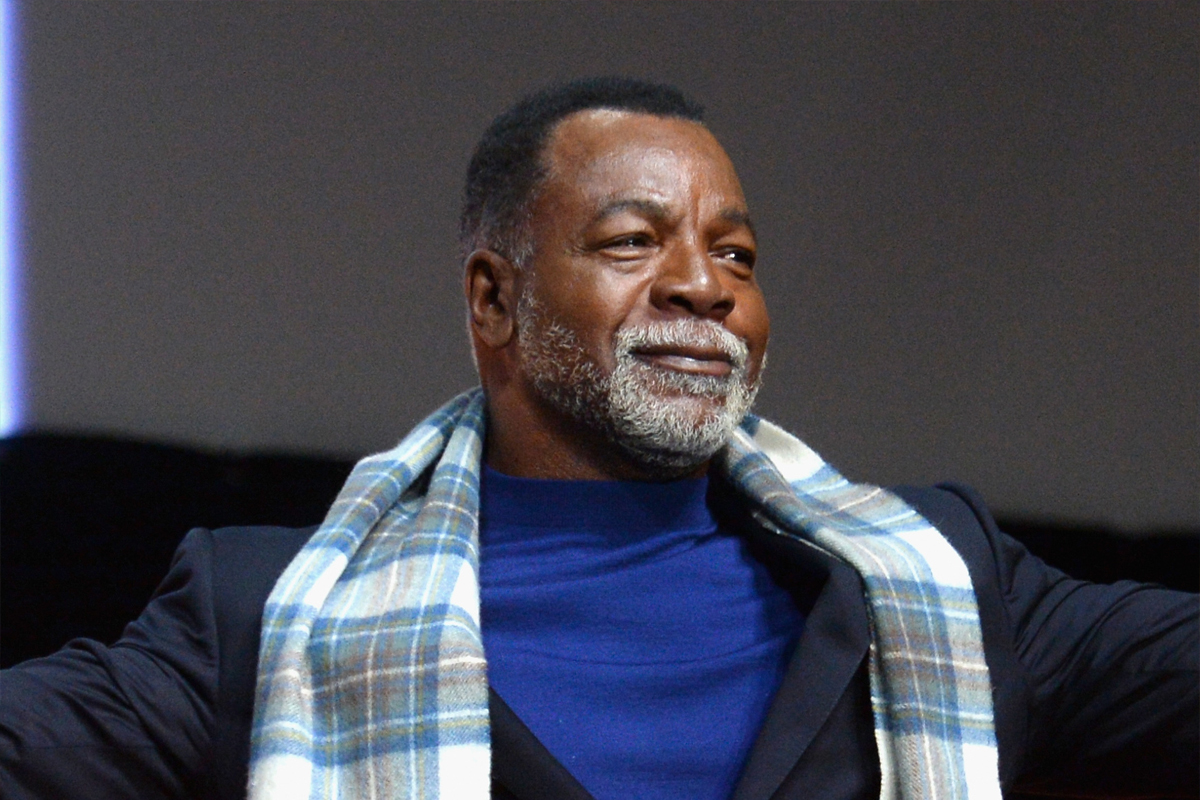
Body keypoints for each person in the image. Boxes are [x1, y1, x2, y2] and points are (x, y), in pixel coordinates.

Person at [1, 77, 1196, 800]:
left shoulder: (933, 576)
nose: (705, 285)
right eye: (634, 241)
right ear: (493, 300)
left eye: (736, 253)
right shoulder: (266, 616)